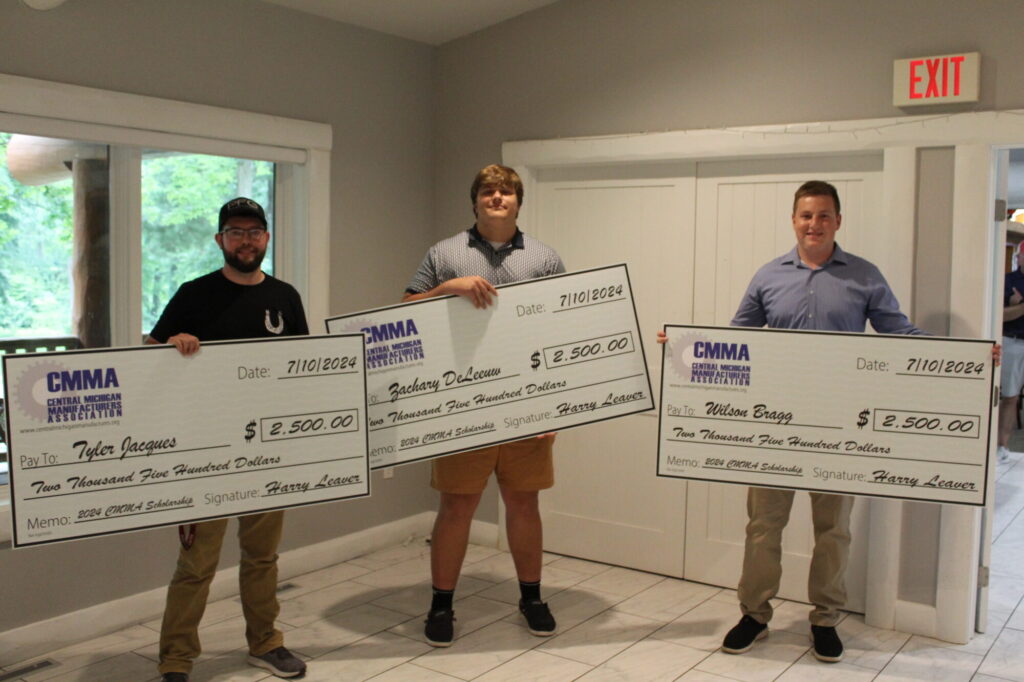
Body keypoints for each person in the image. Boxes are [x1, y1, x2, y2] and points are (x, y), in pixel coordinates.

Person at [659, 180, 924, 663]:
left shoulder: (865, 276)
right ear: (794, 220)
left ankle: (824, 619)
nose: (814, 224)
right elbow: (736, 341)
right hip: (774, 427)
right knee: (763, 526)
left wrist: (963, 359)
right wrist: (683, 350)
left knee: (834, 530)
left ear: (838, 221)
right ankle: (755, 614)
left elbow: (899, 333)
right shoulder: (768, 276)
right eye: (806, 215)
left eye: (824, 215)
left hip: (838, 426)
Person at [403, 164, 565, 646]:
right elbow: (405, 314)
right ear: (474, 202)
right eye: (489, 191)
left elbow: (563, 330)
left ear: (518, 201)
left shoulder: (544, 257)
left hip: (527, 403)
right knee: (457, 506)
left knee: (523, 503)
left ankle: (532, 597)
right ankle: (441, 605)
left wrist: (558, 406)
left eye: (507, 191)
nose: (498, 197)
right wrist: (445, 289)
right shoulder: (444, 253)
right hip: (462, 404)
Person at [147, 197, 308, 682]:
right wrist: (172, 348)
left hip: (267, 449)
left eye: (254, 231)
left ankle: (265, 642)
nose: (245, 239)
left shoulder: (285, 297)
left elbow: (304, 369)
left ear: (266, 238)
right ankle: (176, 661)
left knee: (262, 556)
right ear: (220, 240)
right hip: (208, 450)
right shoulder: (194, 294)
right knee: (197, 564)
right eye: (234, 232)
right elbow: (149, 358)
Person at [998, 241, 1024, 463]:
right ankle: (1002, 446)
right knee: (1010, 396)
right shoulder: (1008, 282)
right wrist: (1020, 307)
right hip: (1013, 342)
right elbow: (1001, 315)